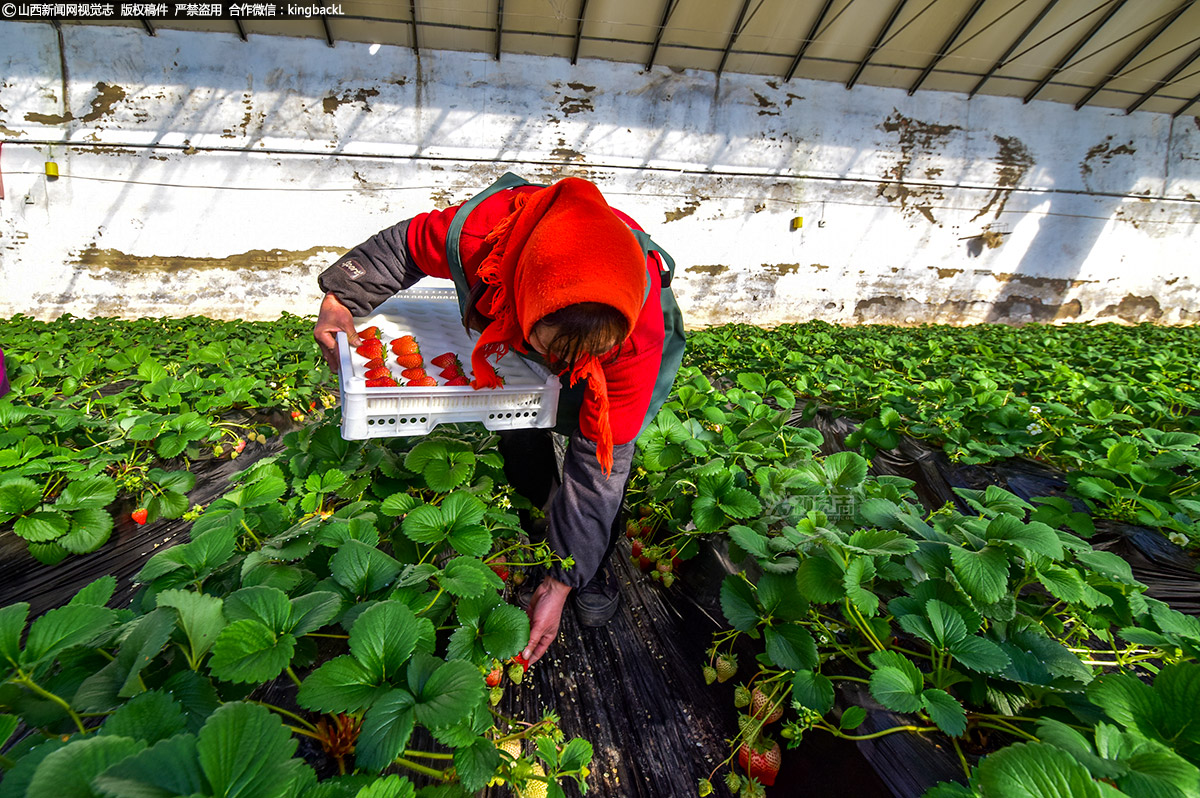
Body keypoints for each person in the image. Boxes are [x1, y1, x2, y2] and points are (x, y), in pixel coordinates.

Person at [313, 174, 685, 666]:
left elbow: (601, 466)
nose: (561, 364)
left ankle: (589, 565)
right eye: (552, 349)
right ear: (525, 301)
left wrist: (561, 578)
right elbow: (403, 246)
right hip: (517, 307)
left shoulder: (637, 335)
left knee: (598, 451)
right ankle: (543, 507)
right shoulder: (482, 238)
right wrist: (342, 298)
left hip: (610, 352)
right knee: (519, 419)